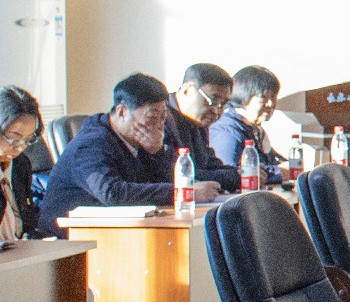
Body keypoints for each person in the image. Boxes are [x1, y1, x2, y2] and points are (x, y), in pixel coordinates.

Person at [42, 73, 223, 229]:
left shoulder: (141, 139)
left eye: (163, 118)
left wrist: (157, 154)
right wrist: (182, 192)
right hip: (70, 236)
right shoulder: (91, 143)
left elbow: (162, 182)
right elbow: (112, 193)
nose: (159, 126)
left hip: (120, 228)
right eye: (152, 118)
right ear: (122, 112)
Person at [163, 62, 239, 192]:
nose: (216, 111)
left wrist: (241, 172)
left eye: (223, 104)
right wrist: (233, 176)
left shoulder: (199, 119)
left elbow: (209, 164)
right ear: (186, 90)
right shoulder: (162, 117)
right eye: (212, 101)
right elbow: (177, 174)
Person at [208, 65, 284, 184]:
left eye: (273, 97)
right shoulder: (227, 131)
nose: (270, 104)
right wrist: (280, 172)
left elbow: (271, 162)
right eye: (263, 97)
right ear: (243, 96)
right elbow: (231, 175)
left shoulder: (255, 129)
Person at [1, 84, 43, 241]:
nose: (19, 147)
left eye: (27, 140)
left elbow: (28, 223)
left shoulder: (20, 164)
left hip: (18, 250)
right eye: (14, 138)